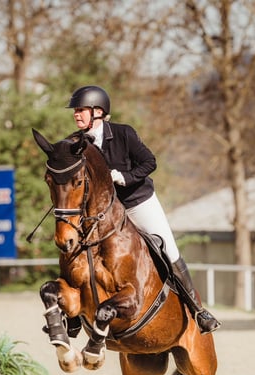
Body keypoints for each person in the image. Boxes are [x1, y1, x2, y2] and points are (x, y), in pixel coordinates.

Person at [67, 85, 221, 334]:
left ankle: (198, 311)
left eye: (81, 110)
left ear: (98, 111)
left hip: (137, 203)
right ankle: (73, 315)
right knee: (75, 250)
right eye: (75, 110)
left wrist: (124, 177)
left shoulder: (123, 134)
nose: (76, 114)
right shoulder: (75, 142)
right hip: (104, 214)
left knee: (168, 250)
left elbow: (149, 162)